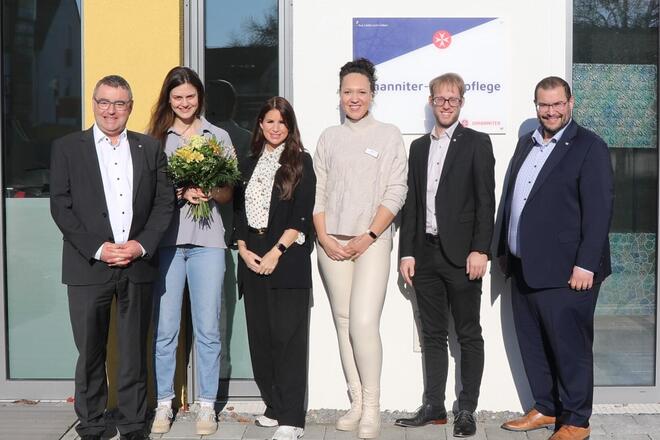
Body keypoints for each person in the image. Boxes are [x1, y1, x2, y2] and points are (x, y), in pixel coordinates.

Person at [50, 75, 174, 440]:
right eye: (104, 102)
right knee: (90, 351)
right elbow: (61, 206)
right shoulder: (67, 148)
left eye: (119, 103)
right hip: (88, 265)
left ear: (130, 107)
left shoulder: (149, 148)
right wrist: (99, 248)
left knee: (133, 349)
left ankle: (133, 424)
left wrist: (140, 245)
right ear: (94, 104)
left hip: (137, 264)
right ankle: (91, 424)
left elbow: (164, 203)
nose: (111, 110)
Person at [498, 76, 613, 440]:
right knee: (533, 344)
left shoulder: (589, 146)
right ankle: (546, 407)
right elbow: (514, 198)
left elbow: (599, 211)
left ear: (570, 103)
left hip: (569, 271)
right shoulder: (526, 143)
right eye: (543, 105)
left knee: (570, 348)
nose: (550, 111)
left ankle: (577, 420)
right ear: (536, 105)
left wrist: (586, 264)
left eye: (557, 104)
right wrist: (503, 249)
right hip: (524, 265)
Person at [396, 73, 495, 438]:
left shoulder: (477, 143)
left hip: (463, 256)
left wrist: (480, 249)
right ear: (431, 101)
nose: (447, 105)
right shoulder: (418, 147)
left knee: (468, 334)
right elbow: (412, 204)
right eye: (440, 99)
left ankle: (466, 409)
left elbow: (486, 201)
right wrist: (407, 252)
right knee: (433, 334)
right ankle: (434, 407)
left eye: (453, 99)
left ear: (462, 102)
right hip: (425, 255)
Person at [313, 58, 408, 439]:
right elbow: (318, 190)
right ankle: (355, 402)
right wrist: (324, 237)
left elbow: (396, 191)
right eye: (348, 92)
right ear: (339, 95)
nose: (354, 98)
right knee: (343, 322)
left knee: (364, 322)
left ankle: (372, 407)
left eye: (361, 92)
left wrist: (368, 235)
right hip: (331, 242)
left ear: (372, 94)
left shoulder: (388, 135)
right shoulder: (328, 138)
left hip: (372, 240)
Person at [146, 66, 235, 436]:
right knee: (166, 329)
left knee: (208, 328)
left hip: (208, 243)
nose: (184, 103)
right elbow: (148, 191)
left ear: (200, 97)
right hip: (167, 243)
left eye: (190, 97)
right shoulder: (156, 139)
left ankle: (207, 405)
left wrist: (210, 190)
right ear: (169, 100)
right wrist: (181, 192)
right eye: (177, 97)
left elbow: (228, 192)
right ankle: (164, 403)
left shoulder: (218, 136)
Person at [234, 97, 315, 440]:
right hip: (252, 254)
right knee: (261, 338)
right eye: (269, 121)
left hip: (286, 256)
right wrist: (242, 249)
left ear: (290, 126)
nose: (275, 127)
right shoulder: (249, 162)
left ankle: (292, 418)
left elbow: (301, 213)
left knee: (288, 340)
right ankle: (275, 406)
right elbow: (238, 211)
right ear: (260, 125)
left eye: (282, 122)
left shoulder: (301, 161)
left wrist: (276, 251)